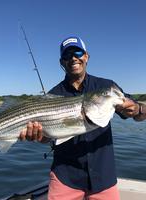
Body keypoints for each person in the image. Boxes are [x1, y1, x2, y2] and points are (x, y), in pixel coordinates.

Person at [19, 36, 146, 200]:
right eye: (67, 55)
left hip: (104, 178)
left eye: (77, 52)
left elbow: (140, 114)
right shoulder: (53, 96)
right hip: (65, 177)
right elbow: (48, 138)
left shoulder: (106, 88)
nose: (73, 58)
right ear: (62, 62)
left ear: (86, 56)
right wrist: (38, 136)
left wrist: (138, 108)